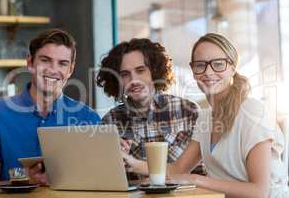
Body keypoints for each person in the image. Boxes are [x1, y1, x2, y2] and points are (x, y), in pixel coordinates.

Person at [122, 33, 289, 197]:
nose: (208, 72)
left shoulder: (253, 111)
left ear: (232, 68)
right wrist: (131, 163)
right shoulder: (205, 118)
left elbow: (259, 192)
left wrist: (195, 179)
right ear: (193, 71)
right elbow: (177, 171)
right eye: (200, 65)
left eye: (218, 64)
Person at [0, 28, 101, 182]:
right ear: (30, 63)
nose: (53, 69)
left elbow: (97, 182)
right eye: (45, 60)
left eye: (62, 63)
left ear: (70, 70)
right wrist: (23, 179)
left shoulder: (89, 118)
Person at [96, 38, 201, 176]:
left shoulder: (187, 111)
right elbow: (104, 177)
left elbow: (201, 171)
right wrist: (113, 159)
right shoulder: (110, 122)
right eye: (125, 74)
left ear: (155, 72)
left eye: (140, 70)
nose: (133, 80)